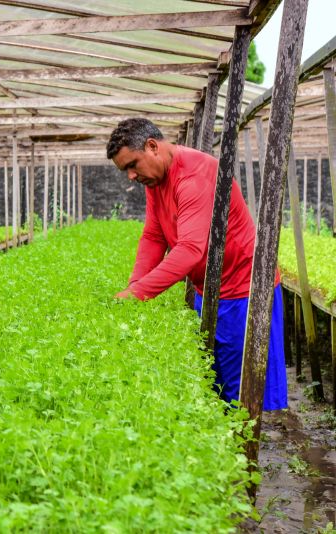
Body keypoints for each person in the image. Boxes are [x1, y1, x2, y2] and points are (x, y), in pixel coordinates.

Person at [106, 118, 287, 410]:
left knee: (240, 391)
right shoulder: (156, 179)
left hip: (242, 291)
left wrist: (138, 294)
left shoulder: (195, 175)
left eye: (132, 165)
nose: (130, 176)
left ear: (152, 147)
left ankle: (241, 451)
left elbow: (189, 249)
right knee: (214, 380)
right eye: (124, 169)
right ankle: (227, 442)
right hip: (210, 288)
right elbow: (154, 235)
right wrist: (134, 286)